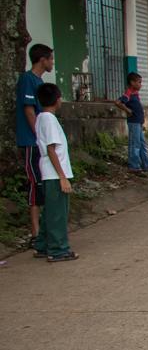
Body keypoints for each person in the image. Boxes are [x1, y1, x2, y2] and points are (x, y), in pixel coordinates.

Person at [32, 83, 77, 262]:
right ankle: (58, 249)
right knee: (58, 213)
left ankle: (43, 245)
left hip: (49, 173)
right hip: (54, 174)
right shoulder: (49, 119)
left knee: (50, 212)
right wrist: (62, 177)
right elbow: (51, 149)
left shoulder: (41, 117)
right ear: (57, 99)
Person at [16, 43, 54, 245]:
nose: (52, 63)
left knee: (45, 184)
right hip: (33, 142)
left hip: (42, 142)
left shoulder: (39, 82)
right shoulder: (28, 80)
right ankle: (35, 232)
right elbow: (29, 111)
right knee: (35, 184)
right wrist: (39, 136)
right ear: (43, 60)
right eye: (51, 59)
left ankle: (44, 230)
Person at [115, 72, 148, 173]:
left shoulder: (135, 93)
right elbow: (118, 102)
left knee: (142, 144)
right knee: (135, 144)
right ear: (132, 82)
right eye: (139, 82)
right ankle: (134, 166)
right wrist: (128, 110)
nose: (140, 84)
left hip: (138, 122)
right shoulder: (129, 93)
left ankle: (146, 165)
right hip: (133, 122)